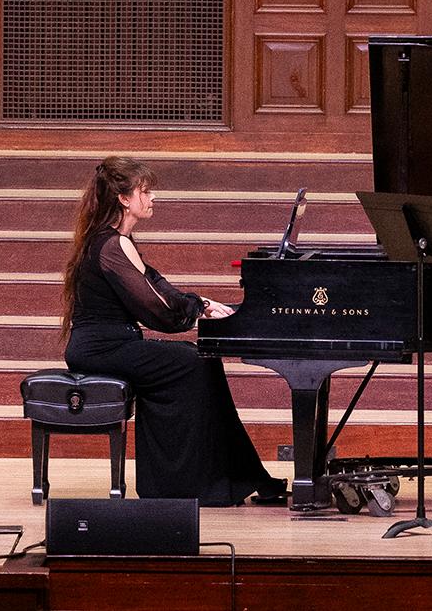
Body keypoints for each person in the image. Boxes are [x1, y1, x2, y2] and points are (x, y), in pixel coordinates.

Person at [60, 155, 286, 506]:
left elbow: (157, 287)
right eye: (145, 191)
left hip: (109, 345)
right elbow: (156, 311)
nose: (152, 199)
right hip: (100, 349)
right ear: (124, 198)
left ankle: (237, 478)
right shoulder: (113, 245)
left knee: (201, 360)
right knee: (196, 364)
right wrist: (196, 309)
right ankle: (187, 485)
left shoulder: (115, 241)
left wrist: (201, 303)